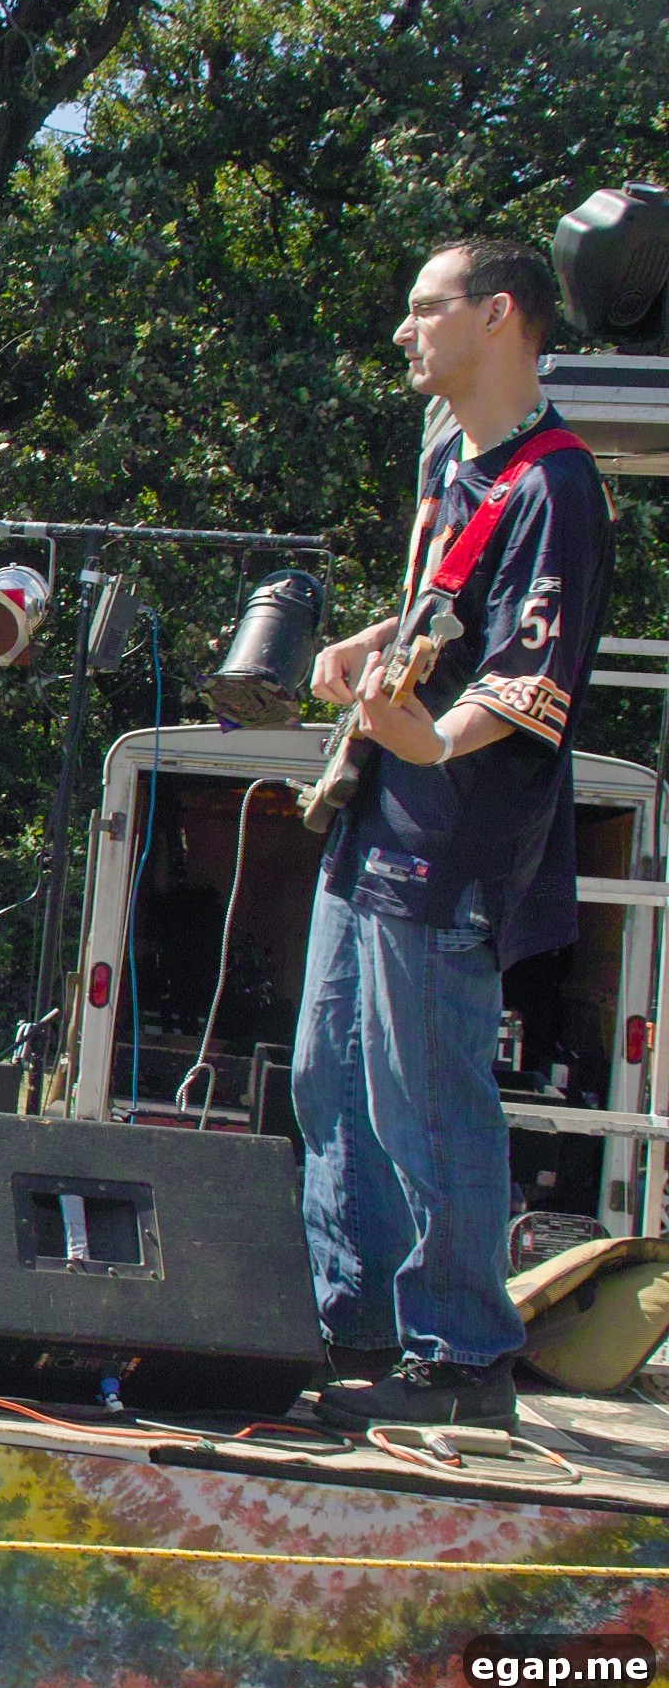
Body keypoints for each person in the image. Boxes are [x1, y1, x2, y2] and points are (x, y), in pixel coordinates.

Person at [300, 237, 614, 1432]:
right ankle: (358, 1320)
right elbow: (447, 610)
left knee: (425, 1091)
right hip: (378, 807)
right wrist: (369, 643)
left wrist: (432, 739)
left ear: (497, 315)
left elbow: (535, 674)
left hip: (457, 833)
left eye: (425, 307)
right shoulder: (452, 457)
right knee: (330, 1071)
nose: (404, 331)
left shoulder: (555, 487)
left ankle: (465, 1353)